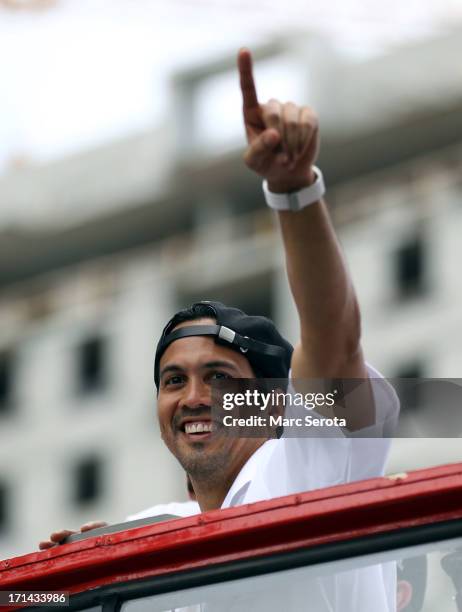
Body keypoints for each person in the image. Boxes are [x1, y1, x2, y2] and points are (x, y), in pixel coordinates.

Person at [39, 49, 399, 609]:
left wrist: (293, 189)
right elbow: (31, 602)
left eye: (220, 377)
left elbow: (334, 335)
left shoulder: (310, 466)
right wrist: (60, 581)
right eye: (173, 381)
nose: (194, 398)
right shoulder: (156, 529)